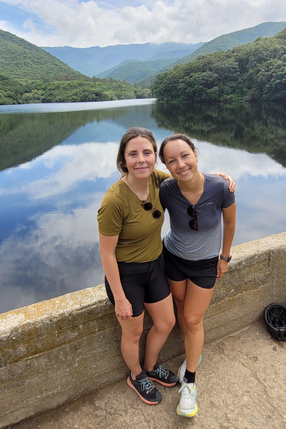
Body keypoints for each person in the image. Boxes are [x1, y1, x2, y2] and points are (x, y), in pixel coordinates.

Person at [97, 127, 180, 405]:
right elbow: (107, 254)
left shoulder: (158, 180)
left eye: (147, 152)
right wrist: (119, 298)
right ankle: (136, 375)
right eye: (133, 154)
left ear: (155, 156)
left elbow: (190, 180)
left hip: (155, 266)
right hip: (126, 275)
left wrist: (221, 179)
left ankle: (151, 366)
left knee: (166, 321)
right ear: (123, 159)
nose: (141, 159)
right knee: (132, 332)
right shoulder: (114, 201)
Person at [158, 133, 237, 418]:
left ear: (196, 154)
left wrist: (225, 256)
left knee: (192, 318)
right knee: (180, 307)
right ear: (166, 166)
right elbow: (139, 184)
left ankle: (190, 380)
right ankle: (193, 350)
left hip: (205, 264)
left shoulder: (220, 188)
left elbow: (229, 222)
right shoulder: (165, 188)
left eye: (185, 156)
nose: (180, 164)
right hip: (173, 259)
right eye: (171, 161)